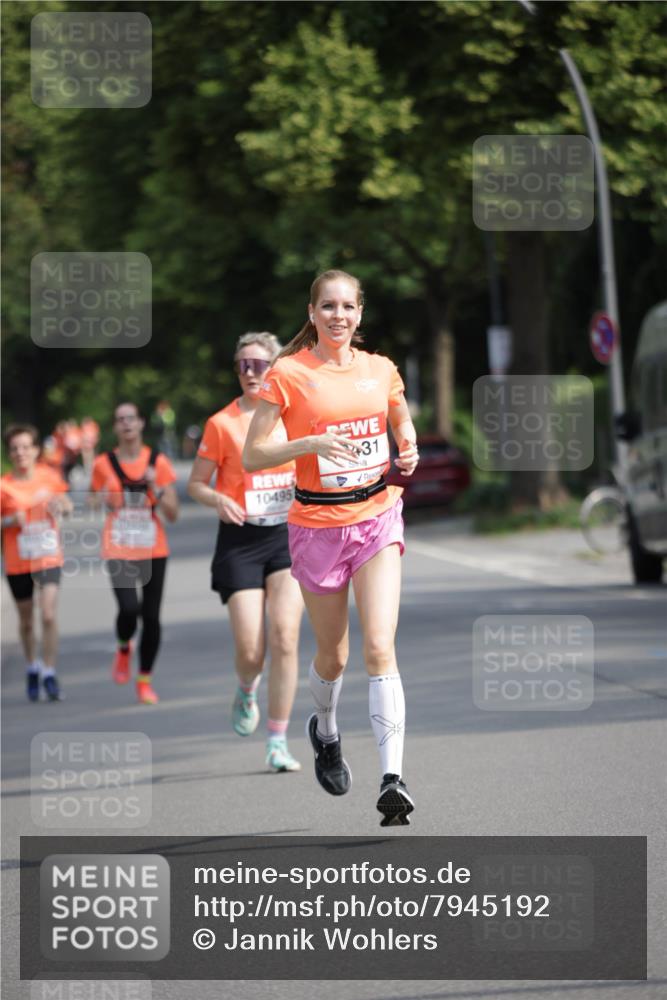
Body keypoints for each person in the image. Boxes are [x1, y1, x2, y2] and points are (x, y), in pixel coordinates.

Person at [243, 270, 420, 825]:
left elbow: (400, 419)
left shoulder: (380, 369)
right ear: (313, 312)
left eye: (348, 306)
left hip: (376, 517)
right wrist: (310, 442)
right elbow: (254, 455)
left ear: (360, 313)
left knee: (380, 649)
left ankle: (393, 779)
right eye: (328, 306)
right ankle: (325, 729)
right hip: (316, 526)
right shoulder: (288, 374)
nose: (338, 316)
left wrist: (409, 447)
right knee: (334, 655)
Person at [188, 332, 304, 773]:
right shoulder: (222, 424)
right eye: (244, 366)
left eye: (260, 364)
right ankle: (246, 687)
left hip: (287, 537)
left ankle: (277, 739)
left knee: (286, 636)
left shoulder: (292, 418)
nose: (252, 373)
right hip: (240, 539)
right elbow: (196, 483)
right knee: (251, 649)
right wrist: (218, 498)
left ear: (275, 368)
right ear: (236, 371)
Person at [90, 403, 179, 704]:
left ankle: (144, 680)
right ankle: (123, 646)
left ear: (141, 423)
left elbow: (173, 514)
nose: (126, 424)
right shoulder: (103, 463)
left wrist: (157, 486)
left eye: (131, 418)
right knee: (129, 609)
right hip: (118, 545)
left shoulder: (158, 461)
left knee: (151, 617)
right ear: (115, 427)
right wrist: (101, 499)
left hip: (153, 546)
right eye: (120, 420)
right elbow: (91, 501)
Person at [1, 424, 72, 701]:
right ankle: (32, 665)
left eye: (25, 447)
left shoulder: (49, 476)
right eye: (14, 449)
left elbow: (66, 502)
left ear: (35, 450)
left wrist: (61, 506)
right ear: (10, 454)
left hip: (47, 555)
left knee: (49, 614)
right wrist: (9, 520)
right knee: (27, 620)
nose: (20, 453)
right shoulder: (4, 485)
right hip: (18, 561)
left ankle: (50, 672)